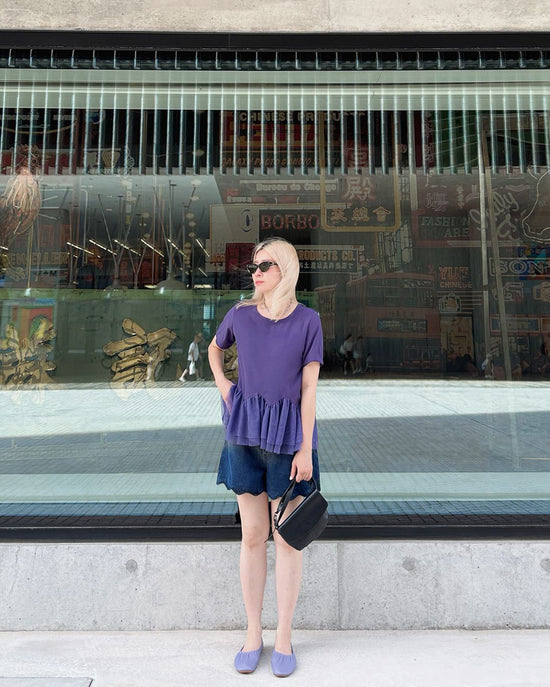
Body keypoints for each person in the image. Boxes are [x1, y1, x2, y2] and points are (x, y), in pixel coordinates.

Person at [208, 237, 323, 678]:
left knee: (287, 539)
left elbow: (309, 389)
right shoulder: (239, 314)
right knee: (253, 535)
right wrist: (223, 385)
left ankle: (285, 635)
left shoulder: (308, 321)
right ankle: (253, 633)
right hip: (244, 435)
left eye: (265, 265)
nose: (255, 273)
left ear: (286, 269)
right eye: (253, 267)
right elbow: (215, 349)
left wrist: (305, 448)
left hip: (289, 439)